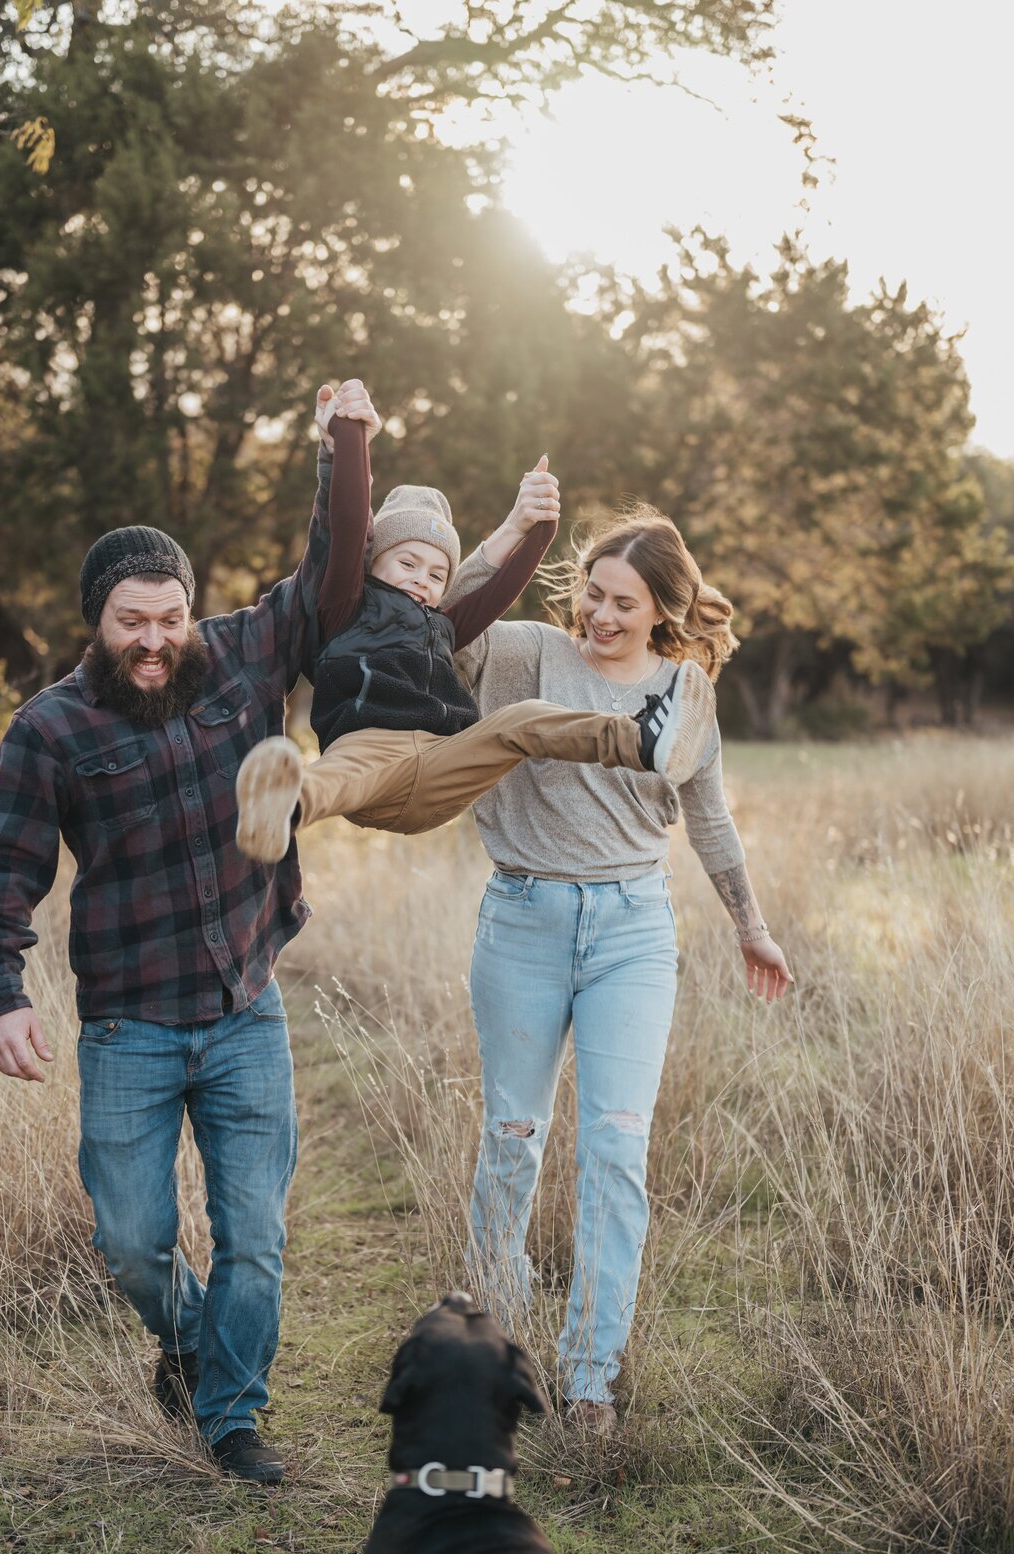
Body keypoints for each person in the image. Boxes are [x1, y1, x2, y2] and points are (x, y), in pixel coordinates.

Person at [0, 401, 360, 1483]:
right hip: (130, 1025)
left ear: (192, 609)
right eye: (133, 621)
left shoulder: (241, 659)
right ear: (99, 619)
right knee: (132, 1245)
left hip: (244, 1007)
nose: (154, 639)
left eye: (170, 616)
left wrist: (342, 448)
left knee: (256, 1238)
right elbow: (1, 867)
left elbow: (329, 571)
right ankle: (187, 1341)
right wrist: (3, 992)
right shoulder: (51, 727)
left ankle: (231, 1419)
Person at [454, 505, 794, 1438]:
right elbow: (438, 614)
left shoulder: (686, 690)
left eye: (623, 603)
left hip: (633, 932)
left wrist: (749, 927)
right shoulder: (522, 652)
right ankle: (491, 1352)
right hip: (522, 915)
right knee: (513, 1139)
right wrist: (514, 530)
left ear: (662, 612)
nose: (600, 616)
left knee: (614, 1146)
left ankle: (591, 1379)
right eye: (592, 594)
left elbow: (710, 817)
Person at [233, 382, 717, 863]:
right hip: (369, 755)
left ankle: (642, 741)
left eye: (437, 573)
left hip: (448, 764)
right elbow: (349, 520)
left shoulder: (441, 627)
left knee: (521, 719)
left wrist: (541, 524)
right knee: (338, 772)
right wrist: (351, 433)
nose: (422, 580)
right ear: (373, 562)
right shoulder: (343, 607)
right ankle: (284, 809)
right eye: (407, 563)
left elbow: (497, 593)